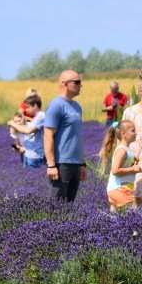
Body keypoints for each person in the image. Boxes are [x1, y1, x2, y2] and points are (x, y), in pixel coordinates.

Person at [44, 70, 86, 202]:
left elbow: (77, 136)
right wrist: (51, 165)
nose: (80, 85)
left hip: (75, 163)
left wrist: (82, 164)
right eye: (77, 82)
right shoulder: (56, 105)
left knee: (69, 205)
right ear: (64, 84)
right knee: (56, 205)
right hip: (61, 163)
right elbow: (48, 135)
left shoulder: (77, 107)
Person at [99, 120, 142, 212]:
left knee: (114, 216)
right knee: (134, 213)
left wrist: (133, 162)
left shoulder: (126, 150)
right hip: (119, 188)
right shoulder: (122, 150)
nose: (136, 133)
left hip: (120, 187)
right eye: (133, 130)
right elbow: (115, 171)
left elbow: (124, 166)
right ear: (123, 134)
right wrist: (133, 169)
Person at [8, 94, 45, 168]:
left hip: (35, 155)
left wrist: (12, 123)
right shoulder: (36, 117)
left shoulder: (41, 116)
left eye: (27, 107)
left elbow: (28, 130)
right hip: (29, 154)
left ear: (35, 106)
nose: (25, 110)